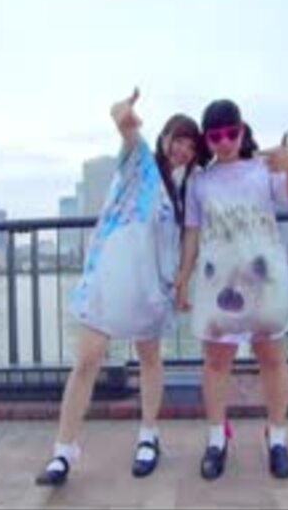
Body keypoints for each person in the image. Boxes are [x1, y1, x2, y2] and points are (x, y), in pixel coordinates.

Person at [36, 88, 209, 486]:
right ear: (165, 137)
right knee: (87, 359)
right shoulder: (140, 160)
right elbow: (123, 124)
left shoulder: (183, 191)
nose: (182, 150)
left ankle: (149, 435)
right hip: (109, 277)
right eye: (178, 139)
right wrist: (124, 113)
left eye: (190, 146)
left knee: (150, 358)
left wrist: (181, 282)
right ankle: (63, 451)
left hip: (151, 285)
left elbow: (188, 239)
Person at [175, 98, 288, 480]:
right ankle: (217, 439)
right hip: (218, 283)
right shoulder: (199, 182)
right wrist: (183, 277)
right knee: (216, 363)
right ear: (206, 140)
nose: (224, 142)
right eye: (215, 136)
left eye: (231, 133)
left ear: (242, 131)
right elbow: (192, 233)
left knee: (273, 359)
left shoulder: (265, 168)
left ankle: (277, 438)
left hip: (265, 281)